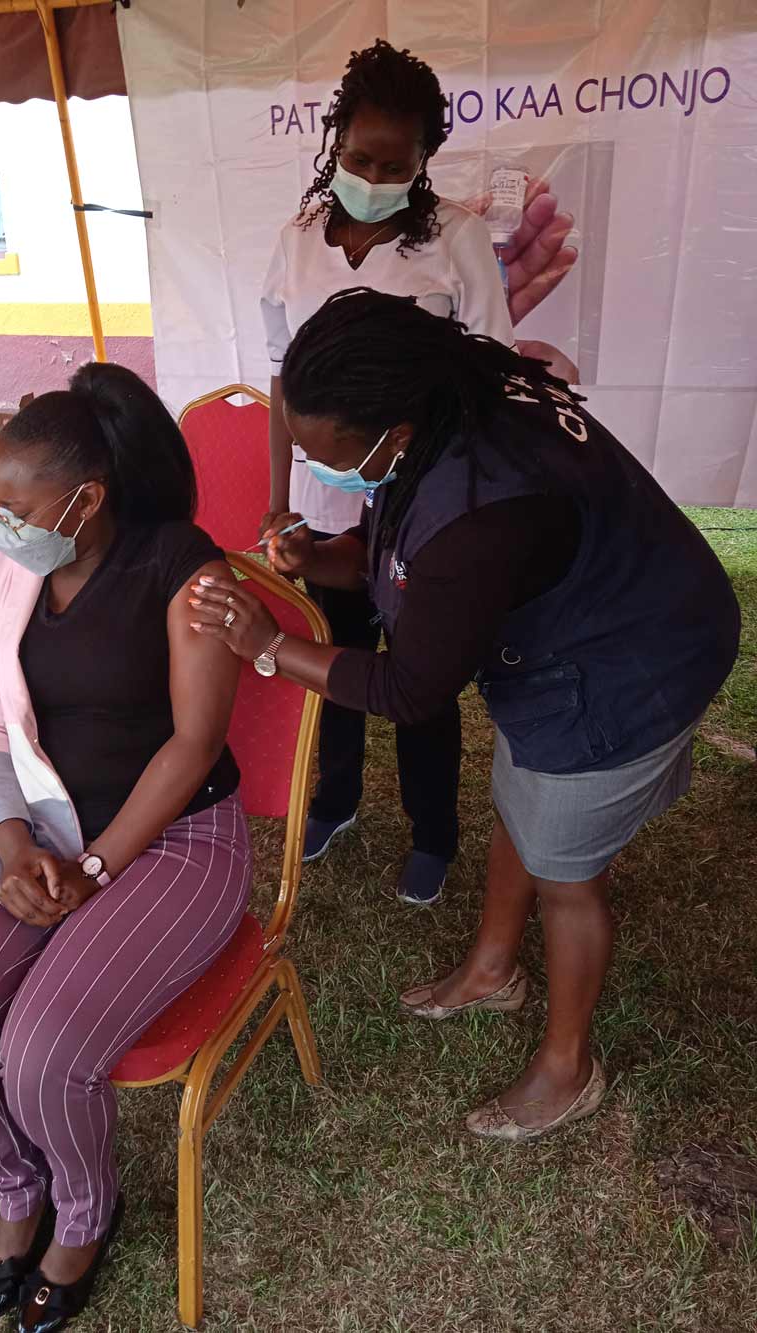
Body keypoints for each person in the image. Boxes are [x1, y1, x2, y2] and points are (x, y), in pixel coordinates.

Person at [188, 288, 740, 1142]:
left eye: (326, 454)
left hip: (634, 656)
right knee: (522, 792)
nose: (314, 469)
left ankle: (568, 1066)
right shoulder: (445, 404)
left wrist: (272, 646)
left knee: (568, 872)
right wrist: (322, 557)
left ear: (393, 434)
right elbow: (398, 550)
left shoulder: (485, 510)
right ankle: (492, 967)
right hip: (591, 613)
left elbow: (410, 688)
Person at [0, 364, 250, 1332]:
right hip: (36, 816)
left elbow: (193, 744)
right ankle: (17, 1188)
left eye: (13, 500)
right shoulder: (18, 563)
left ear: (86, 499)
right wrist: (9, 840)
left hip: (168, 837)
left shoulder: (187, 567)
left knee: (43, 1050)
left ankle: (85, 1215)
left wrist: (92, 871)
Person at [260, 38, 575, 905]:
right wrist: (277, 500)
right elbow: (283, 380)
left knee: (421, 676)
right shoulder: (296, 244)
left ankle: (432, 829)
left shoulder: (455, 242)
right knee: (336, 653)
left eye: (393, 163)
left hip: (424, 510)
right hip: (327, 502)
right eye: (359, 158)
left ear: (425, 158)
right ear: (336, 147)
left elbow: (490, 373)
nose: (372, 175)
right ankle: (337, 796)